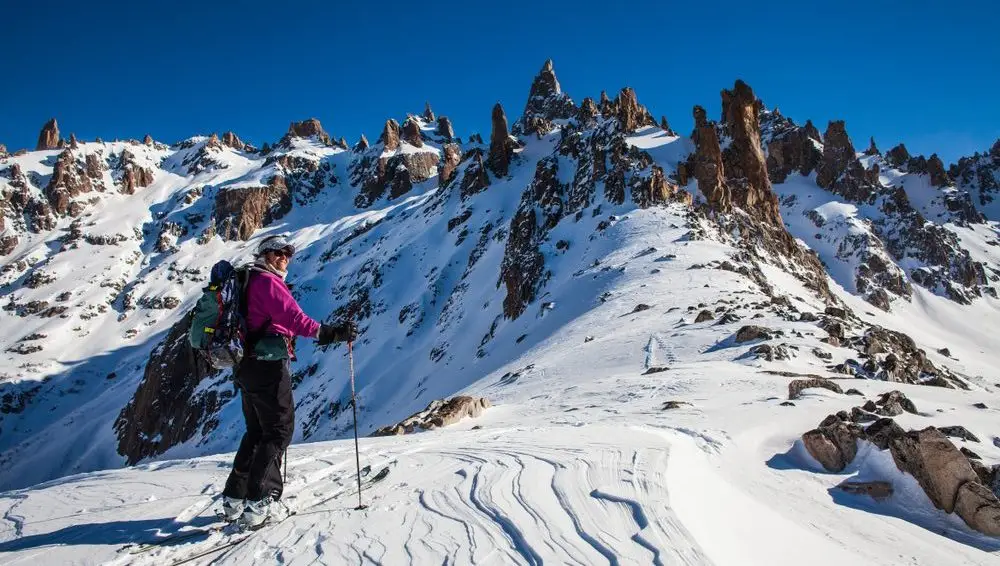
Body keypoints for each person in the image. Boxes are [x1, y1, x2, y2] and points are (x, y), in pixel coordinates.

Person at [221, 234, 357, 527]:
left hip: (246, 366)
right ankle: (261, 501)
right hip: (267, 367)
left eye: (288, 252)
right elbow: (296, 320)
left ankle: (235, 497)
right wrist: (333, 333)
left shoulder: (249, 280)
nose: (284, 257)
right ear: (264, 254)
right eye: (277, 252)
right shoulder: (268, 283)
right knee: (279, 432)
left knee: (257, 432)